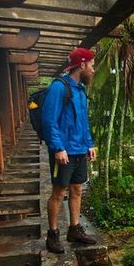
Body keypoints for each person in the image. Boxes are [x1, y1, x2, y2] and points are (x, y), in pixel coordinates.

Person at [42, 47, 98, 253]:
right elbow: (49, 120)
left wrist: (89, 144)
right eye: (92, 65)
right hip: (63, 152)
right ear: (82, 65)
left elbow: (83, 122)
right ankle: (53, 234)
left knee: (77, 190)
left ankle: (74, 229)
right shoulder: (59, 87)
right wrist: (57, 148)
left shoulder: (81, 91)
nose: (93, 70)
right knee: (59, 192)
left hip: (79, 150)